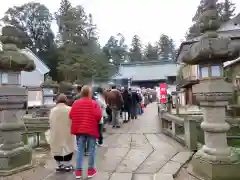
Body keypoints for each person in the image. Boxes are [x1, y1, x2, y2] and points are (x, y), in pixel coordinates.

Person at [70, 85, 102, 179]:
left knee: (80, 150)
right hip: (91, 129)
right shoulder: (94, 103)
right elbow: (98, 116)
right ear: (89, 93)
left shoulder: (76, 103)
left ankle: (78, 172)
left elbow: (71, 115)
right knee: (92, 150)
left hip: (79, 130)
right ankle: (90, 170)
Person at [49, 94, 75, 172]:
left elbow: (50, 121)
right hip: (68, 131)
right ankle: (67, 165)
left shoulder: (53, 110)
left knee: (57, 148)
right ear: (66, 100)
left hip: (56, 132)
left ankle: (59, 164)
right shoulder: (70, 109)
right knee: (68, 147)